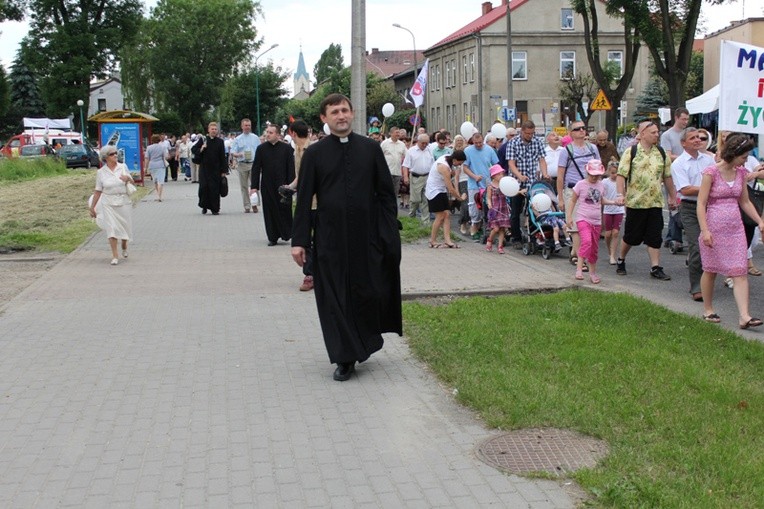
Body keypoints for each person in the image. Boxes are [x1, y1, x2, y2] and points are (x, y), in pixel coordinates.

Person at [291, 93, 401, 382]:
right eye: (334, 112)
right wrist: (299, 240)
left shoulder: (369, 149)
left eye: (345, 110)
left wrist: (390, 232)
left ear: (352, 114)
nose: (341, 116)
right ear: (324, 119)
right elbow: (303, 200)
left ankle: (362, 343)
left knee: (365, 292)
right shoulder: (314, 154)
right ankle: (344, 356)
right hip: (329, 238)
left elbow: (386, 196)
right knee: (334, 297)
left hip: (366, 237)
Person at [697, 133, 764, 329]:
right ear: (733, 153)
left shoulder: (741, 173)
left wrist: (760, 221)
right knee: (710, 270)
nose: (745, 161)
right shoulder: (711, 172)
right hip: (713, 227)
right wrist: (705, 230)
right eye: (743, 157)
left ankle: (744, 316)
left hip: (735, 229)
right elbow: (701, 204)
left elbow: (744, 201)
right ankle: (708, 309)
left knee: (739, 270)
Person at [614, 120, 677, 280]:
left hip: (655, 202)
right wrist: (620, 194)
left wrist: (672, 196)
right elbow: (621, 175)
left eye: (657, 132)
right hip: (636, 202)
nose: (657, 135)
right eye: (653, 132)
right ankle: (621, 259)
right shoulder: (631, 152)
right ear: (642, 134)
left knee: (655, 236)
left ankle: (655, 267)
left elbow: (667, 176)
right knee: (631, 237)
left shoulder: (661, 153)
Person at [670, 127, 715, 301]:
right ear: (683, 143)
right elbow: (686, 189)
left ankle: (709, 280)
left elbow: (717, 179)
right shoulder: (679, 164)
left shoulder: (709, 161)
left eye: (699, 137)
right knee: (697, 245)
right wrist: (707, 188)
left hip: (710, 207)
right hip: (690, 208)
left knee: (712, 244)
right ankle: (696, 286)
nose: (697, 140)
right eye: (693, 138)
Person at [557, 121, 600, 267]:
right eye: (577, 129)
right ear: (571, 133)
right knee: (575, 225)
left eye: (583, 128)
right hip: (572, 190)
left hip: (590, 190)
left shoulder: (593, 148)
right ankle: (580, 258)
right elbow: (561, 175)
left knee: (589, 223)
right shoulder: (566, 151)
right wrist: (561, 198)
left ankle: (575, 253)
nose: (582, 131)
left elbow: (599, 169)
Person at [566, 160, 614, 284]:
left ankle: (592, 272)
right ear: (587, 172)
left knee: (594, 248)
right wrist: (569, 217)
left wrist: (614, 202)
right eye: (592, 174)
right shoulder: (581, 184)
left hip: (596, 220)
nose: (594, 177)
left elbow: (601, 200)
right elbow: (572, 201)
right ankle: (579, 268)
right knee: (586, 241)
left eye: (597, 175)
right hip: (583, 218)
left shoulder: (601, 185)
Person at [89, 145, 134, 265]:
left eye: (116, 153)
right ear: (105, 157)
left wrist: (128, 179)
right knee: (111, 228)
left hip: (123, 201)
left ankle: (124, 245)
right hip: (108, 202)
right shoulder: (101, 172)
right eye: (112, 154)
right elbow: (98, 190)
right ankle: (115, 255)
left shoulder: (122, 167)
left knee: (125, 228)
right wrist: (92, 207)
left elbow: (132, 181)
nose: (115, 155)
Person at [251, 125, 295, 245]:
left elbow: (291, 168)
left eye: (271, 132)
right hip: (267, 185)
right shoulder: (261, 149)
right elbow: (256, 168)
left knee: (284, 209)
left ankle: (286, 233)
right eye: (267, 132)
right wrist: (254, 187)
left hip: (283, 185)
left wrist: (291, 186)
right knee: (269, 211)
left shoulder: (287, 149)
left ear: (278, 135)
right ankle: (272, 237)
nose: (268, 135)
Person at [507, 120, 548, 248]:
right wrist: (519, 176)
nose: (530, 136)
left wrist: (545, 173)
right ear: (522, 131)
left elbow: (542, 159)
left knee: (534, 209)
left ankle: (534, 235)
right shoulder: (513, 143)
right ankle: (516, 238)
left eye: (532, 133)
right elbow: (511, 163)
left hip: (532, 182)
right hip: (516, 183)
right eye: (528, 133)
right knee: (515, 211)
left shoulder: (537, 142)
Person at [426, 150, 467, 249]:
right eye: (459, 163)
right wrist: (460, 198)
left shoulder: (448, 157)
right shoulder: (444, 167)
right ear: (454, 159)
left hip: (441, 189)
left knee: (447, 214)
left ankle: (448, 241)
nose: (459, 166)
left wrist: (454, 173)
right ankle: (432, 240)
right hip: (434, 191)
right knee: (440, 216)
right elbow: (450, 188)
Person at [462, 132, 499, 240]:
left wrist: (495, 177)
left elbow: (496, 165)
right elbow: (465, 167)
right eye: (476, 143)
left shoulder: (489, 150)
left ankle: (485, 227)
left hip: (487, 182)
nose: (478, 145)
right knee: (474, 206)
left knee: (488, 205)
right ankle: (474, 227)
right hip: (474, 183)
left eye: (480, 143)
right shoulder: (468, 151)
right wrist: (474, 176)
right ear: (472, 142)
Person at [192, 122, 227, 215]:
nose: (214, 131)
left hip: (216, 169)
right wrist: (201, 149)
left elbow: (222, 157)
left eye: (215, 129)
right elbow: (193, 149)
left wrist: (224, 170)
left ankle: (215, 209)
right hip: (204, 169)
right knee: (204, 188)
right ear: (208, 130)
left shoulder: (220, 141)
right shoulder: (203, 140)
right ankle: (204, 206)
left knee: (215, 189)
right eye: (212, 129)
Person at [401, 134, 435, 226]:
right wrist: (405, 177)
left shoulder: (429, 150)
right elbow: (405, 165)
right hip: (416, 177)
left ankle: (426, 221)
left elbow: (433, 165)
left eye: (426, 143)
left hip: (427, 177)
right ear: (418, 142)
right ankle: (412, 215)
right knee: (415, 200)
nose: (425, 145)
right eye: (423, 143)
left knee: (426, 199)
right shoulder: (411, 151)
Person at [231, 118, 261, 213]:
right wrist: (238, 154)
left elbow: (260, 151)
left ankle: (255, 204)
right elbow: (233, 151)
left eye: (249, 125)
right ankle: (247, 205)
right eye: (246, 125)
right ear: (242, 126)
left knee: (254, 185)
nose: (247, 127)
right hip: (242, 164)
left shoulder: (255, 138)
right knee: (244, 186)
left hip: (253, 163)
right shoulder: (238, 139)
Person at [602, 160, 625, 265]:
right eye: (612, 173)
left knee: (615, 233)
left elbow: (624, 193)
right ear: (608, 172)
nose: (614, 175)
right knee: (607, 234)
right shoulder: (605, 182)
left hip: (619, 209)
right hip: (608, 209)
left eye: (616, 172)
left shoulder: (621, 182)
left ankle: (613, 255)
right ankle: (609, 250)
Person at [485, 164, 511, 253]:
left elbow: (510, 192)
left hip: (503, 208)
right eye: (499, 174)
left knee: (502, 228)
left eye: (502, 174)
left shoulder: (504, 184)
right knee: (495, 228)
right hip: (495, 209)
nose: (501, 176)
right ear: (494, 176)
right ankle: (490, 239)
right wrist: (489, 204)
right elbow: (488, 197)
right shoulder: (490, 186)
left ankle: (500, 246)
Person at [380, 127, 407, 207]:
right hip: (387, 172)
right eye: (396, 132)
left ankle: (393, 208)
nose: (398, 134)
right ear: (390, 133)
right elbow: (379, 156)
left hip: (397, 172)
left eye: (398, 133)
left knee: (395, 192)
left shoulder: (402, 144)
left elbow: (407, 156)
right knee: (387, 191)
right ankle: (385, 207)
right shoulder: (385, 143)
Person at [144, 134, 168, 202]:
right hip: (160, 165)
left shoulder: (149, 148)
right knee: (160, 181)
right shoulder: (162, 147)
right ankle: (159, 196)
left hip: (152, 165)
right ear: (159, 140)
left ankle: (158, 194)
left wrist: (145, 167)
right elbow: (165, 156)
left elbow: (147, 158)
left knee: (155, 181)